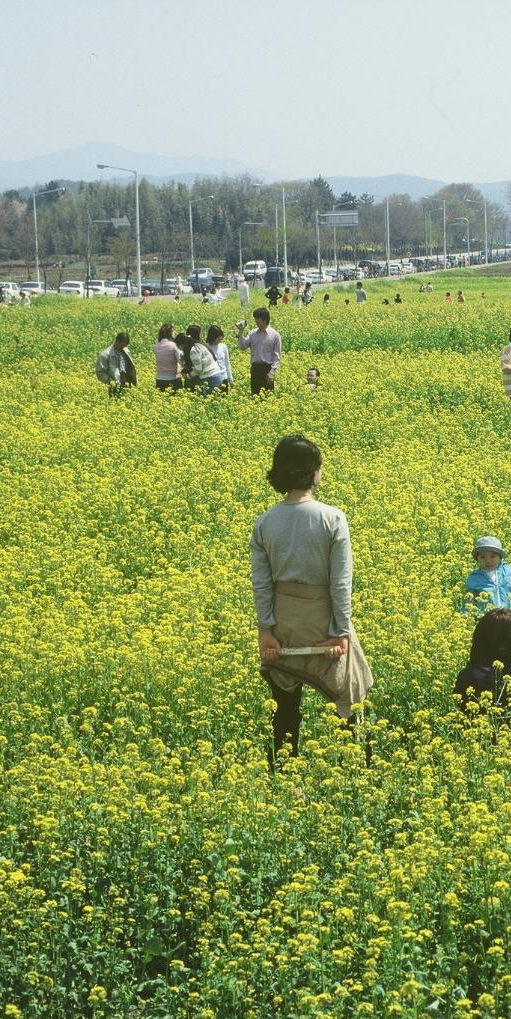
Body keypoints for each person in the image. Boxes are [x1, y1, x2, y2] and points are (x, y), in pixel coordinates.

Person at [250, 434, 372, 762]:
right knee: (350, 695)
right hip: (323, 620)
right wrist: (339, 631)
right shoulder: (333, 518)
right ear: (312, 472)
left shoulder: (264, 523)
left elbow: (261, 584)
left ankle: (286, 775)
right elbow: (340, 583)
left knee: (285, 708)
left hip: (284, 622)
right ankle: (354, 772)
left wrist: (266, 630)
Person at [465, 536, 511, 613]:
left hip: (510, 616)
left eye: (493, 556)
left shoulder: (510, 571)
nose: (488, 560)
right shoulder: (474, 578)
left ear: (500, 557)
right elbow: (469, 601)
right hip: (487, 618)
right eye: (482, 557)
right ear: (477, 559)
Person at [238, 307, 282, 395]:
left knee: (268, 396)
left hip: (267, 370)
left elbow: (277, 356)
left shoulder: (275, 335)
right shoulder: (252, 333)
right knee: (255, 395)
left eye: (257, 319)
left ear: (264, 320)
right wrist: (240, 332)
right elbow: (242, 347)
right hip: (255, 369)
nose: (256, 321)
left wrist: (272, 372)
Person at [97, 332, 137, 398]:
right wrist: (109, 381)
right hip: (115, 384)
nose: (123, 347)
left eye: (125, 346)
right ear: (116, 341)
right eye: (122, 345)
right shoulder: (105, 354)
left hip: (127, 383)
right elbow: (100, 372)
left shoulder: (126, 351)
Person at [153, 324, 181, 391]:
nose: (175, 333)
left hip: (160, 379)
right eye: (173, 331)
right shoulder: (174, 345)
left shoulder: (156, 346)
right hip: (173, 378)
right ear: (170, 333)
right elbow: (180, 359)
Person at [206, 325, 232, 393]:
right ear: (212, 337)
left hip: (224, 379)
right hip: (211, 379)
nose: (220, 339)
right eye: (217, 337)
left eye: (221, 337)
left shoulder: (223, 347)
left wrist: (230, 380)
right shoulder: (205, 347)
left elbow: (227, 364)